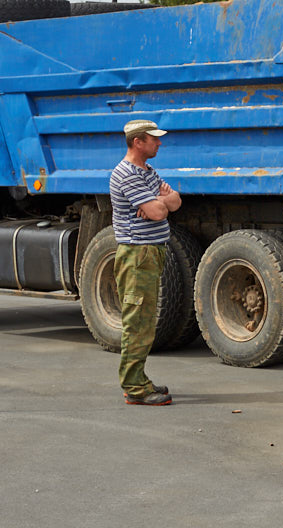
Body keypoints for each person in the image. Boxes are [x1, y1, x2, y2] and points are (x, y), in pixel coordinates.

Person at [110, 119, 182, 405]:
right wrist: (159, 203)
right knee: (138, 321)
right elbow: (159, 212)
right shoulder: (127, 174)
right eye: (154, 139)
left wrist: (160, 202)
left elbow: (175, 202)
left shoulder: (148, 172)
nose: (159, 143)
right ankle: (134, 388)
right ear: (138, 142)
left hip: (150, 253)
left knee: (145, 320)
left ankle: (139, 379)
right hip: (137, 255)